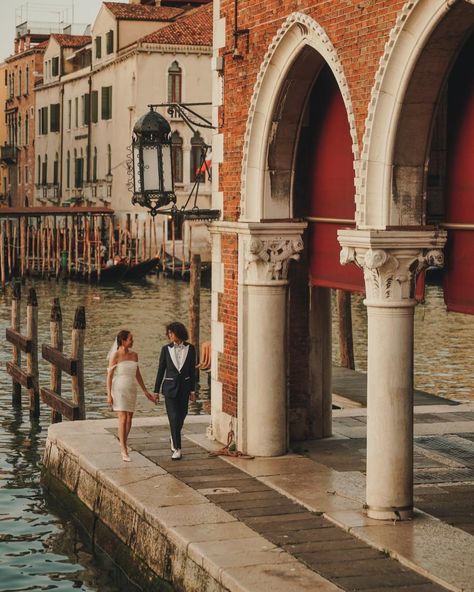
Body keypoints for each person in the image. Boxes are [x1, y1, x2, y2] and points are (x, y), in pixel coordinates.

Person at [107, 329, 157, 461]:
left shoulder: (135, 355)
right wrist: (109, 394)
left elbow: (137, 374)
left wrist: (145, 391)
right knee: (123, 418)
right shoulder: (116, 356)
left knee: (129, 418)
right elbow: (109, 375)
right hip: (119, 388)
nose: (132, 341)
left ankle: (123, 441)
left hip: (131, 388)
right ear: (123, 341)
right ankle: (123, 449)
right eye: (130, 339)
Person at [154, 322, 197, 460]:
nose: (169, 335)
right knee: (173, 417)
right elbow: (161, 370)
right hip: (169, 389)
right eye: (169, 333)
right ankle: (177, 448)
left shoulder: (191, 348)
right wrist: (156, 391)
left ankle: (173, 435)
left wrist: (192, 390)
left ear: (178, 333)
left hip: (184, 388)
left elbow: (192, 371)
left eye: (171, 332)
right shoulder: (165, 349)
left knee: (182, 415)